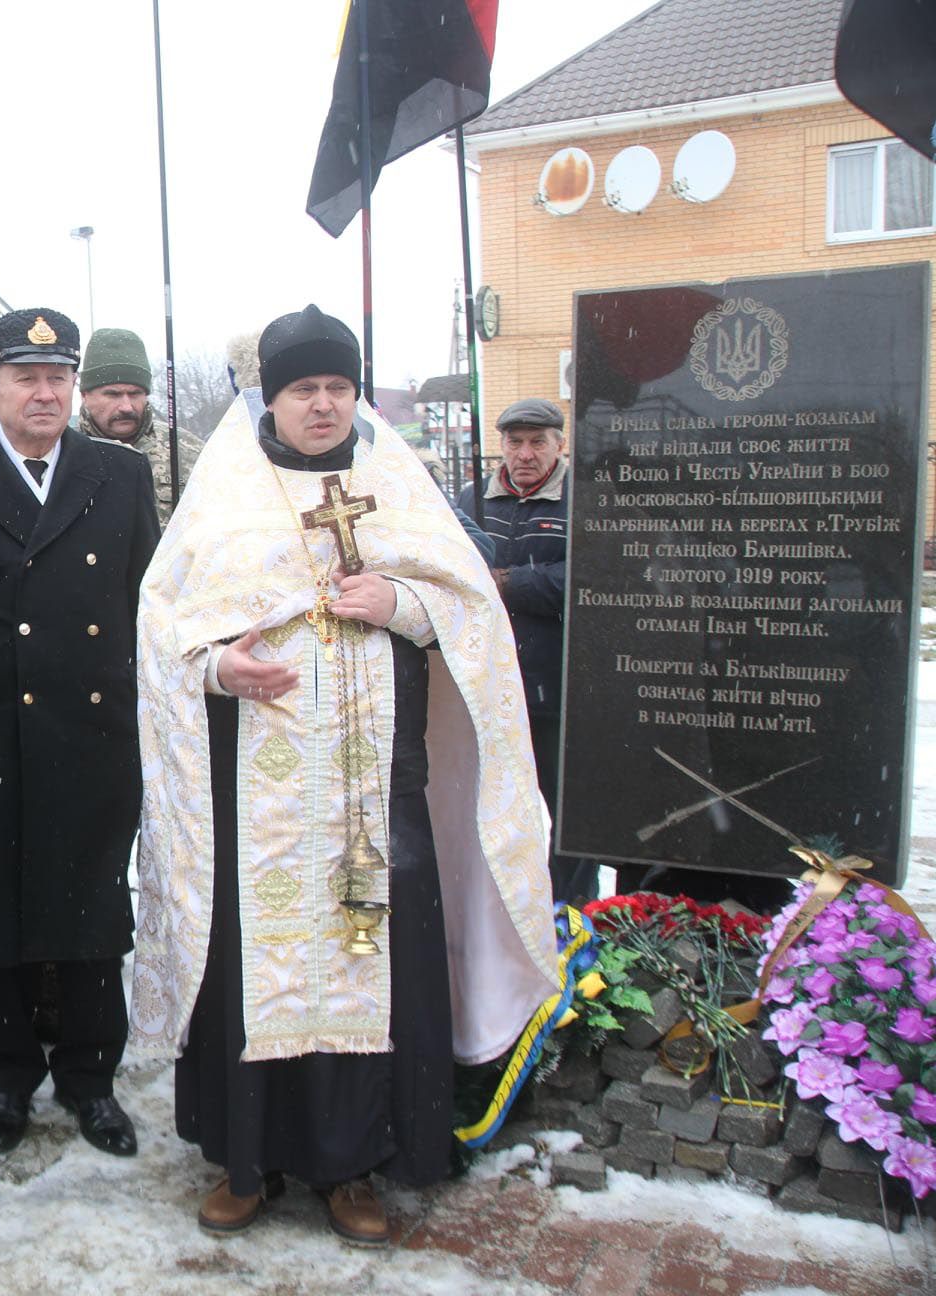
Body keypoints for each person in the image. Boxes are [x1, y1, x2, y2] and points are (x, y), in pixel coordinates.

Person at [134, 305, 556, 1245]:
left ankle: (354, 1165)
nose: (321, 405)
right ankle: (248, 1160)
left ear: (355, 396)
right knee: (263, 956)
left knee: (374, 957)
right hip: (260, 789)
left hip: (376, 786)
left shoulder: (397, 487)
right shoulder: (225, 499)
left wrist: (403, 601)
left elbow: (474, 615)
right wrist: (219, 668)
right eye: (302, 389)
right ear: (270, 399)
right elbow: (166, 632)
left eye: (337, 388)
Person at [0, 307, 160, 1160]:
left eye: (58, 378)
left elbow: (142, 607)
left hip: (91, 735)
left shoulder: (120, 477)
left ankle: (91, 1079)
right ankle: (8, 1077)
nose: (45, 392)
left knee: (90, 908)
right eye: (25, 378)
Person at [456, 397, 593, 902]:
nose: (525, 454)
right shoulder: (473, 501)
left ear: (559, 444)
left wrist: (509, 582)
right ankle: (502, 909)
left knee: (569, 813)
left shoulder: (581, 500)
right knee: (493, 809)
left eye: (538, 442)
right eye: (515, 443)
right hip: (489, 685)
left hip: (555, 688)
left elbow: (589, 579)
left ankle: (570, 914)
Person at [78, 327, 203, 527]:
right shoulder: (63, 454)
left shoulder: (189, 451)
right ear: (85, 395)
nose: (126, 406)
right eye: (113, 394)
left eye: (135, 393)